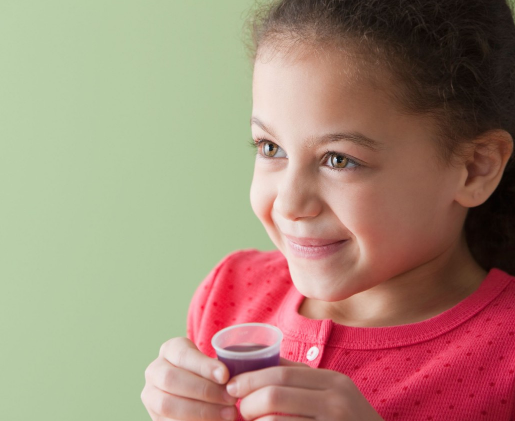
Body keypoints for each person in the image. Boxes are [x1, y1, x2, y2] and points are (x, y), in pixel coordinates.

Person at [141, 0, 515, 419]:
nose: (290, 203)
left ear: (474, 168)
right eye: (270, 148)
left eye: (339, 159)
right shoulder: (230, 296)